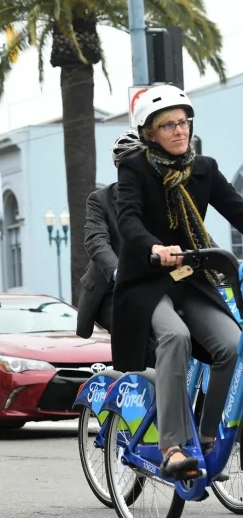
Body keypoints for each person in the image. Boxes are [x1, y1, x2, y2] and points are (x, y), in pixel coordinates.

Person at [113, 84, 243, 481]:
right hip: (147, 282)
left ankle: (206, 440)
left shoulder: (203, 169)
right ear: (150, 132)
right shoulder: (135, 168)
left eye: (183, 122)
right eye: (168, 125)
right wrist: (155, 247)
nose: (178, 130)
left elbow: (237, 208)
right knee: (175, 337)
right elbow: (128, 220)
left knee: (232, 345)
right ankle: (171, 447)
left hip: (192, 279)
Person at [76, 131, 142, 337]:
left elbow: (189, 231)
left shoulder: (158, 196)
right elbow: (96, 240)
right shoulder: (100, 200)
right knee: (137, 332)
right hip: (111, 290)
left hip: (151, 285)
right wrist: (117, 272)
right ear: (119, 167)